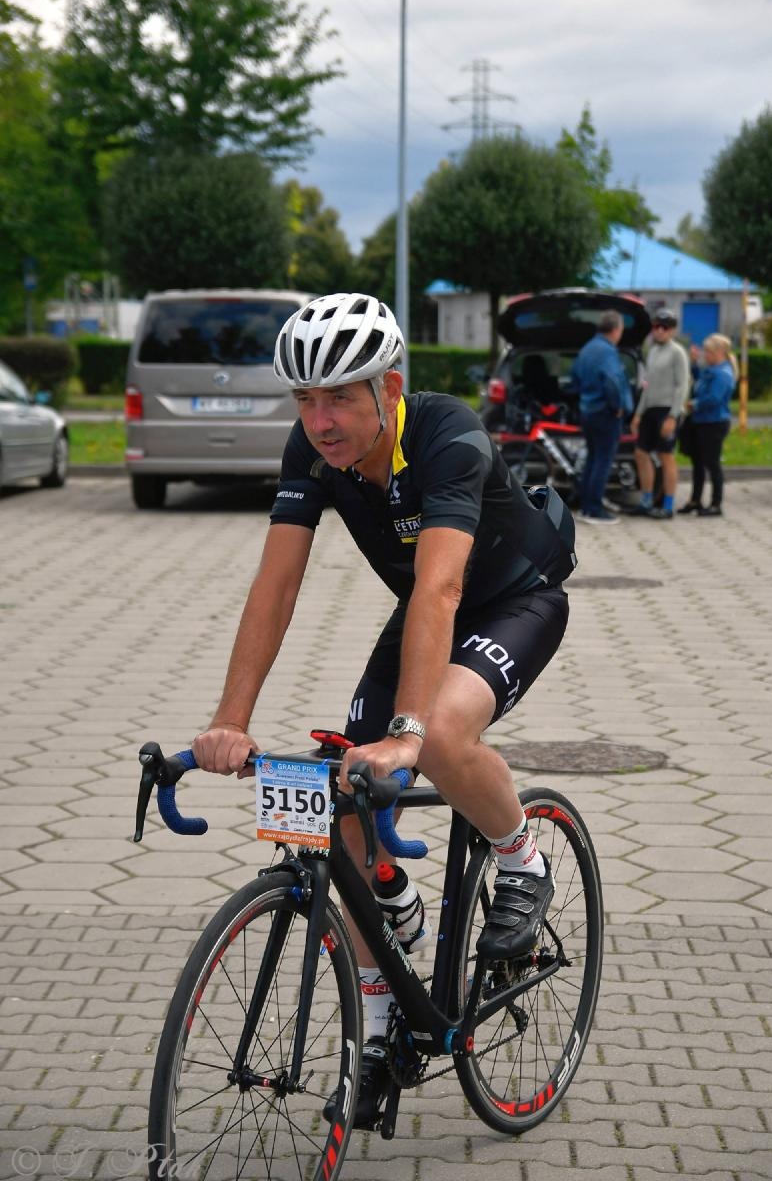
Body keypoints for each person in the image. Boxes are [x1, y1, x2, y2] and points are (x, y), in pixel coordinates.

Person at [191, 292, 573, 1128]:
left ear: (389, 389)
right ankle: (382, 1001)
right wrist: (230, 719)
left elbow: (440, 585)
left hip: (510, 601)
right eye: (304, 400)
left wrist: (405, 733)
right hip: (426, 617)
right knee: (340, 790)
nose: (319, 421)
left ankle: (522, 859)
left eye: (338, 399)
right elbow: (277, 583)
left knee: (433, 737)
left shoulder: (447, 436)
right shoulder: (312, 450)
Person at [569, 310, 633, 525]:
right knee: (603, 461)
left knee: (593, 459)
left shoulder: (587, 349)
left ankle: (586, 507)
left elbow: (574, 377)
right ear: (615, 330)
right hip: (605, 413)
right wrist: (618, 406)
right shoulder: (607, 352)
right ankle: (595, 509)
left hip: (587, 411)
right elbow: (613, 381)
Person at [629, 308, 690, 519]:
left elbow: (682, 386)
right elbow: (647, 385)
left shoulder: (677, 352)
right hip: (650, 408)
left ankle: (668, 504)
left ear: (672, 330)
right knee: (641, 453)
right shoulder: (653, 351)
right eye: (656, 327)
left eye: (664, 327)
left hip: (667, 409)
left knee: (666, 456)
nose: (659, 331)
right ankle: (646, 500)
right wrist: (638, 413)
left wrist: (673, 416)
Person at [678, 333, 737, 516]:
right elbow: (699, 383)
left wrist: (694, 404)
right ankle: (695, 500)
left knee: (712, 463)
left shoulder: (723, 374)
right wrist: (694, 364)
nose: (705, 355)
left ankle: (716, 504)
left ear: (719, 352)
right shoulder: (711, 369)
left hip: (714, 423)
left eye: (708, 352)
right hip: (700, 421)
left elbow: (714, 398)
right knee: (697, 462)